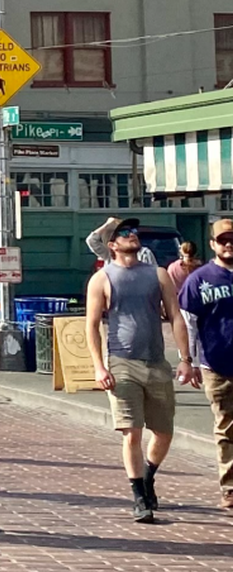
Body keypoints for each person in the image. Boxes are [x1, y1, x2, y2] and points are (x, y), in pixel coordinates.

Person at [85, 217, 194, 522]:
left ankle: (148, 475)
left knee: (163, 432)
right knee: (131, 432)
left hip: (157, 362)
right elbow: (92, 325)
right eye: (124, 233)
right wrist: (99, 366)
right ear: (112, 245)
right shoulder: (102, 278)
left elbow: (175, 316)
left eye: (133, 232)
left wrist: (185, 358)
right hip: (122, 363)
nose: (132, 236)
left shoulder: (158, 275)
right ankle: (139, 496)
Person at [179, 217, 233, 508]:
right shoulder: (199, 280)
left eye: (232, 240)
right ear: (213, 244)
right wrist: (187, 360)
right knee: (226, 427)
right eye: (222, 240)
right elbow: (187, 322)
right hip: (216, 363)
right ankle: (230, 487)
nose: (228, 245)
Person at [85, 217, 156, 267]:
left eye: (133, 230)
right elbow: (91, 240)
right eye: (124, 233)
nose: (132, 234)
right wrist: (107, 224)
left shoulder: (144, 254)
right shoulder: (109, 257)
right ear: (112, 245)